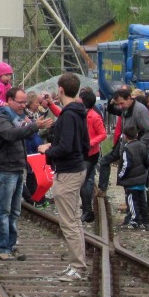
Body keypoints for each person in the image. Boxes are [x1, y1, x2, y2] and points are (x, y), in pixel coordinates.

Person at [0, 87, 51, 262]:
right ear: (9, 100)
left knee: (15, 210)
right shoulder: (0, 117)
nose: (23, 105)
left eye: (25, 102)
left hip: (17, 168)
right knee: (4, 209)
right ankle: (2, 247)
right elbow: (10, 135)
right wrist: (33, 126)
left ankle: (9, 245)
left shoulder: (17, 118)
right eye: (20, 102)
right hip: (5, 169)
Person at [38, 73, 90, 277]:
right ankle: (77, 263)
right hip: (77, 167)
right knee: (74, 220)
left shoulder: (69, 115)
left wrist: (48, 150)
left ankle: (77, 266)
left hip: (68, 171)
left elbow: (67, 146)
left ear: (60, 89)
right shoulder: (78, 113)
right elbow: (84, 145)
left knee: (68, 222)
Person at [78, 87, 107, 222]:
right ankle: (87, 211)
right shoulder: (80, 113)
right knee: (83, 181)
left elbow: (103, 134)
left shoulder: (94, 116)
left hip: (90, 153)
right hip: (82, 152)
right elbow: (61, 113)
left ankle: (87, 211)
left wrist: (91, 142)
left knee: (84, 181)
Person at [117, 124, 149, 229]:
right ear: (137, 134)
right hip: (141, 179)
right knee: (142, 201)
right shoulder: (142, 145)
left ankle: (134, 220)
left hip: (130, 180)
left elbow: (126, 165)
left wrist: (120, 176)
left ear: (125, 136)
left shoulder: (127, 149)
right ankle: (145, 220)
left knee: (132, 201)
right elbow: (147, 161)